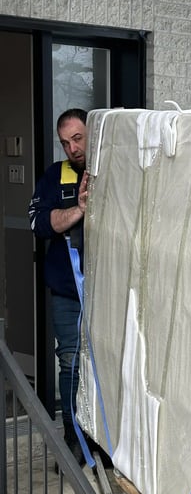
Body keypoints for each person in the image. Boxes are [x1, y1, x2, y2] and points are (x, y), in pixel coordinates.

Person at [29, 108, 89, 465]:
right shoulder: (56, 176)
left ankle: (104, 440)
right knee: (70, 363)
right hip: (68, 293)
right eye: (66, 142)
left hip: (110, 292)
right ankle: (74, 439)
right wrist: (77, 211)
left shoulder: (115, 171)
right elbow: (38, 222)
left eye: (77, 138)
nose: (72, 148)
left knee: (108, 364)